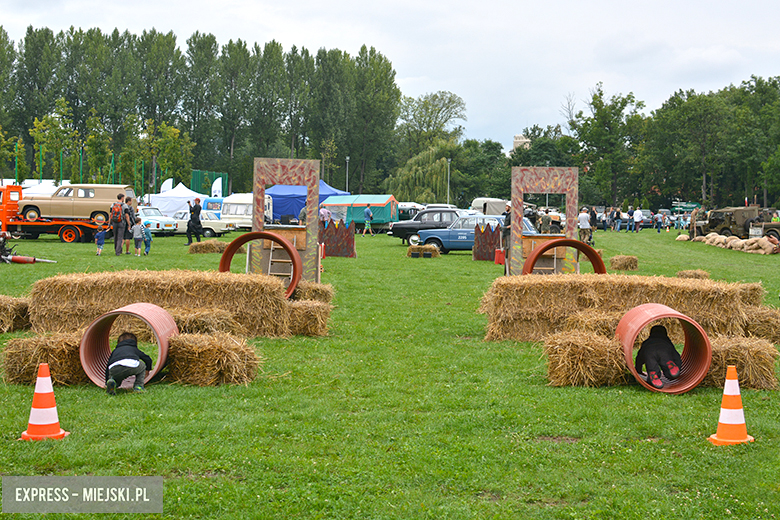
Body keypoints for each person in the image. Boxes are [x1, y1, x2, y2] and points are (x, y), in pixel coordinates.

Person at [635, 325, 682, 389]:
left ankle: (653, 374)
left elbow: (639, 357)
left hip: (649, 351)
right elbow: (675, 355)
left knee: (651, 365)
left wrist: (638, 370)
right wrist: (678, 366)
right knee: (666, 360)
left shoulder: (646, 342)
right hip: (664, 349)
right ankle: (670, 365)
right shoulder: (667, 341)